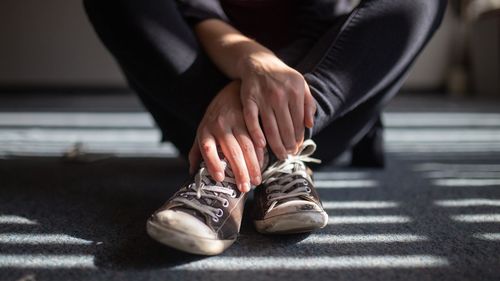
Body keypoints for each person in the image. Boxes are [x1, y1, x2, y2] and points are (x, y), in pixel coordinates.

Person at [83, 0, 446, 255]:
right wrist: (251, 65)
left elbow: (314, 23)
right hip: (197, 109)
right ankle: (232, 150)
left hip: (317, 121)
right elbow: (196, 12)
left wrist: (269, 97)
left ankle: (257, 147)